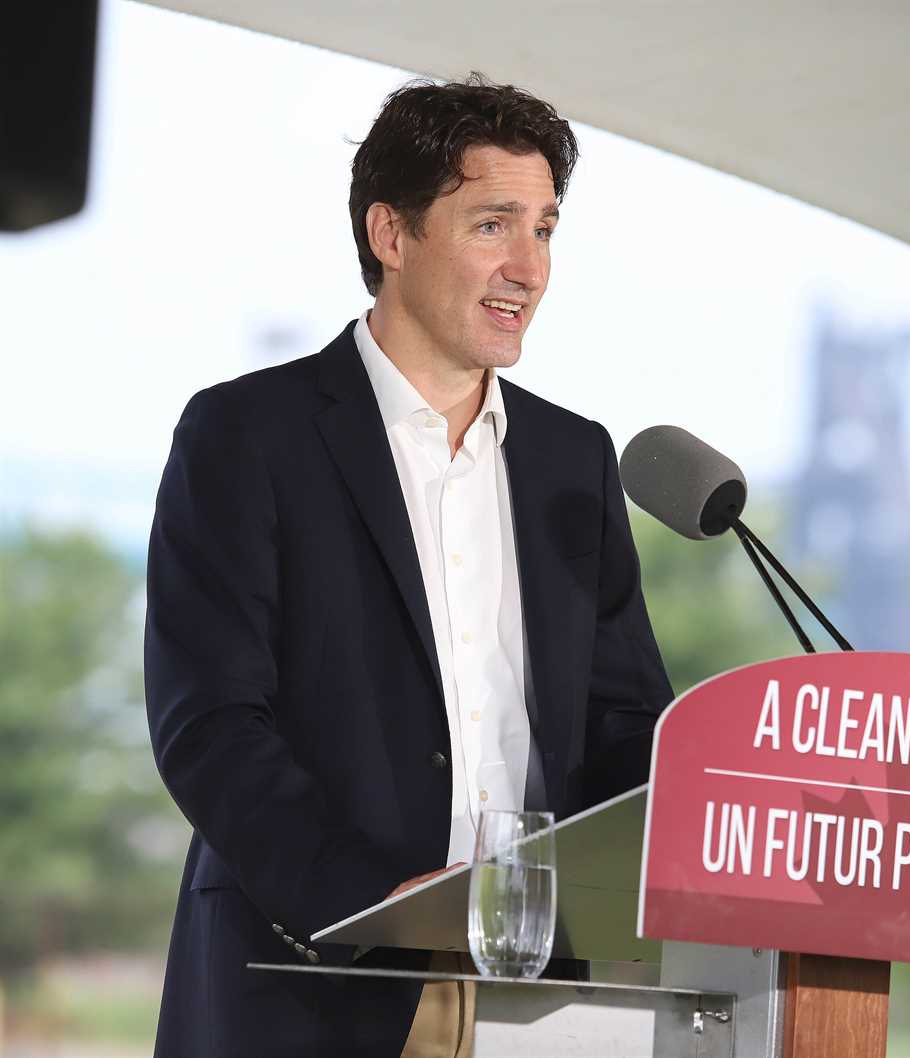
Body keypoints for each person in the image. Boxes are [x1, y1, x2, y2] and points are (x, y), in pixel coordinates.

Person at [144, 75, 673, 1058]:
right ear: (391, 235)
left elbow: (624, 724)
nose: (527, 266)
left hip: (544, 1000)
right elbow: (208, 723)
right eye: (491, 224)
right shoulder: (248, 435)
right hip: (312, 978)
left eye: (546, 229)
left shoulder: (572, 461)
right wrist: (370, 903)